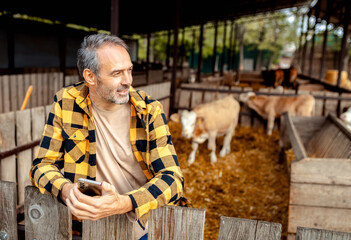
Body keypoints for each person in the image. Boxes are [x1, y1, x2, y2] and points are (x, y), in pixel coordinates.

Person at [30, 33, 190, 240]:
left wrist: (122, 203)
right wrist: (67, 190)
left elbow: (173, 178)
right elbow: (41, 165)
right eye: (117, 74)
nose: (128, 81)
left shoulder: (150, 110)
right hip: (84, 228)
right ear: (90, 77)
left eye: (129, 70)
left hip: (140, 228)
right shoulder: (66, 103)